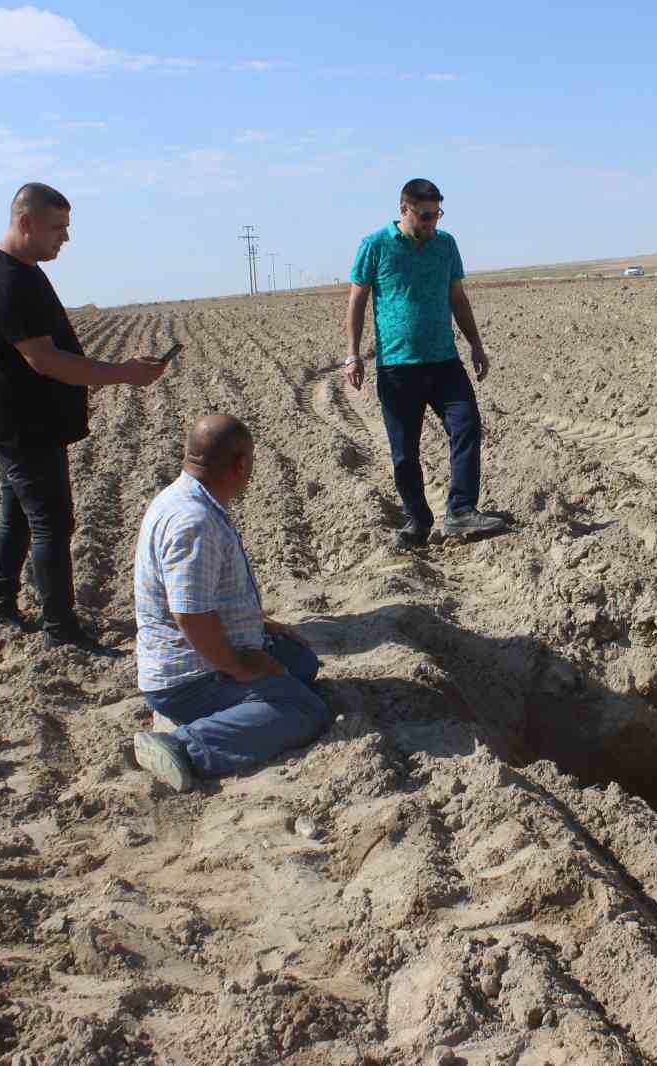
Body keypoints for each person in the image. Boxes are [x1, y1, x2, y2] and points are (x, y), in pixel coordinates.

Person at [0, 182, 167, 649]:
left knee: (19, 517)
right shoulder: (6, 281)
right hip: (24, 427)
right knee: (51, 523)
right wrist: (123, 374)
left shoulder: (24, 269)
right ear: (25, 222)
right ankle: (60, 629)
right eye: (58, 228)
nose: (65, 238)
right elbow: (45, 360)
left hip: (24, 423)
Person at [131, 414, 331, 790]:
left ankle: (227, 713)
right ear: (240, 464)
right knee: (305, 710)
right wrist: (239, 666)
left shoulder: (185, 497)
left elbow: (202, 595)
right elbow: (190, 613)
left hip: (202, 656)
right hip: (189, 677)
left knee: (300, 661)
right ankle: (183, 745)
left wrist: (260, 625)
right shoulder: (194, 522)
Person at [344, 178, 507, 549]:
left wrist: (476, 344)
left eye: (437, 214)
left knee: (467, 425)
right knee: (405, 451)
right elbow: (356, 301)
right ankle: (417, 520)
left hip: (444, 361)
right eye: (425, 215)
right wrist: (353, 354)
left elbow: (457, 297)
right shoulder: (375, 245)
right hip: (398, 366)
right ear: (404, 210)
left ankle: (461, 511)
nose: (432, 222)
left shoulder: (446, 245)